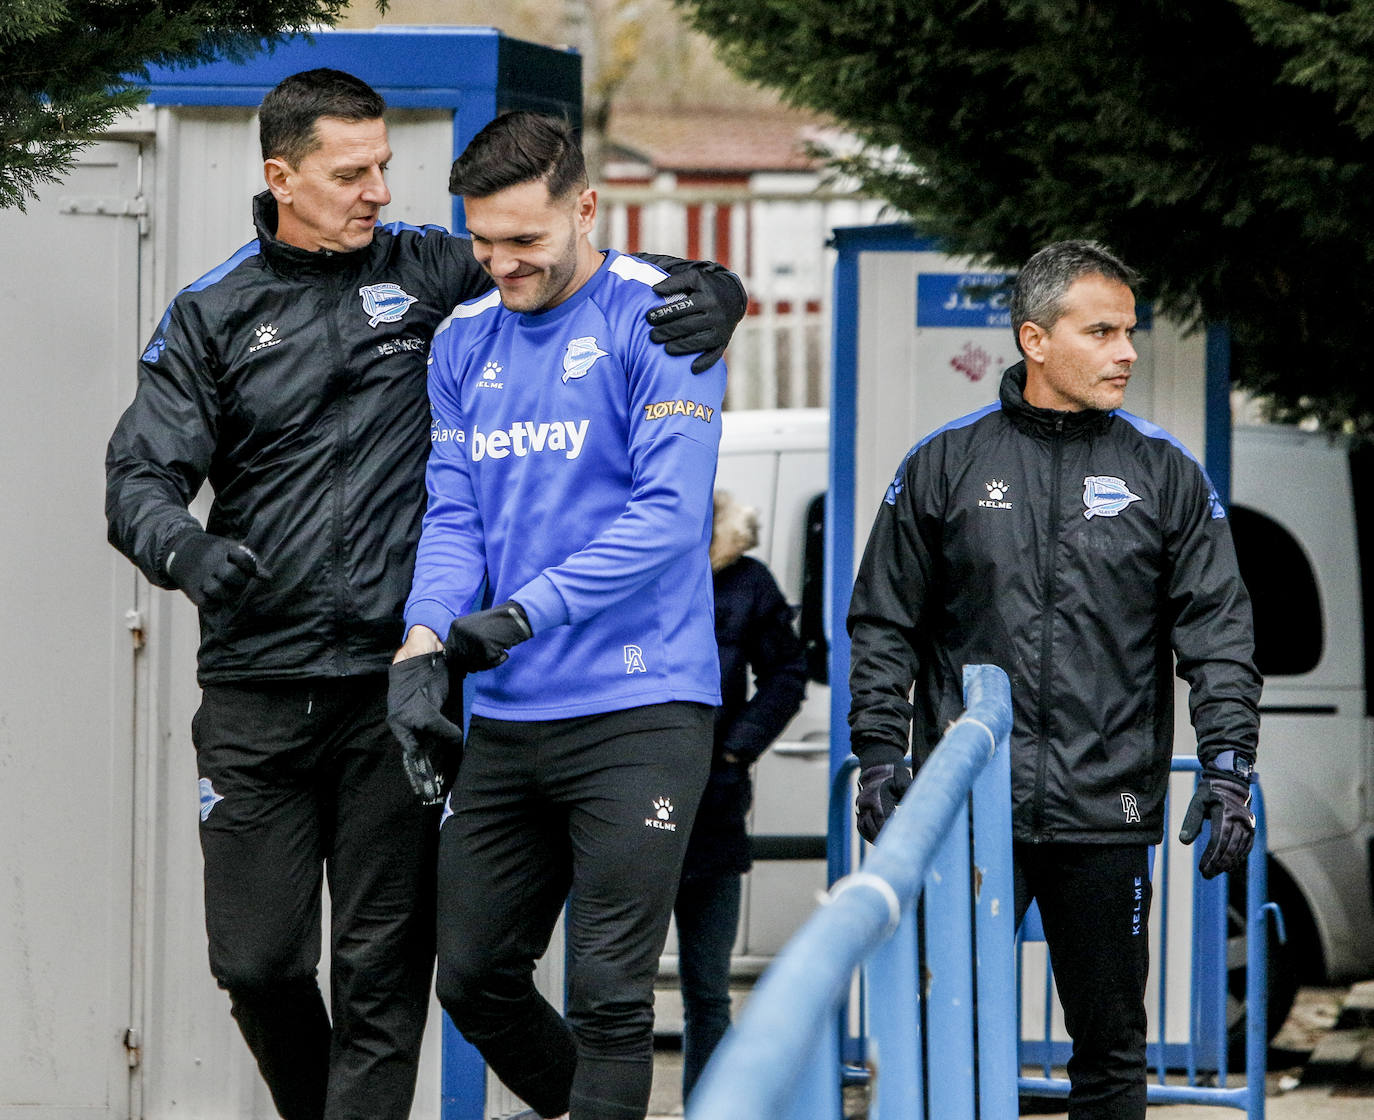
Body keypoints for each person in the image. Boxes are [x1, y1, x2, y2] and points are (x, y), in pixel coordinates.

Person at [104, 69, 745, 1120]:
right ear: (282, 178)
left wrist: (720, 285)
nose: (375, 192)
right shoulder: (213, 312)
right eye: (349, 173)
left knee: (382, 982)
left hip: (393, 694)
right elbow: (138, 476)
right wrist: (183, 549)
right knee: (258, 964)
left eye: (384, 169)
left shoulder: (435, 271)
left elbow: (576, 258)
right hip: (259, 681)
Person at [846, 240, 1261, 1119]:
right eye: (1102, 331)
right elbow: (884, 624)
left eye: (1130, 332)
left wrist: (1228, 764)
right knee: (942, 1043)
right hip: (969, 816)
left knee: (1111, 1054)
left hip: (1106, 816)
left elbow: (1218, 633)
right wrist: (880, 754)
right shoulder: (943, 463)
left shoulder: (1164, 471)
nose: (1127, 352)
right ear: (1035, 339)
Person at [388, 110, 727, 1120]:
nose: (501, 264)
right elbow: (455, 513)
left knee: (612, 999)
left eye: (525, 241)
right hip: (510, 714)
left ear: (585, 208)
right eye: (483, 242)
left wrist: (524, 612)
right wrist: (422, 641)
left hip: (644, 705)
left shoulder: (660, 318)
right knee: (475, 975)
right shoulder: (460, 341)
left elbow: (669, 520)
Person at [673, 491, 806, 1102]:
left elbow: (788, 672)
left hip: (715, 806)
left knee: (707, 988)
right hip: (628, 799)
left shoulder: (749, 581)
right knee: (613, 987)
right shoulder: (634, 564)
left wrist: (736, 748)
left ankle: (709, 1108)